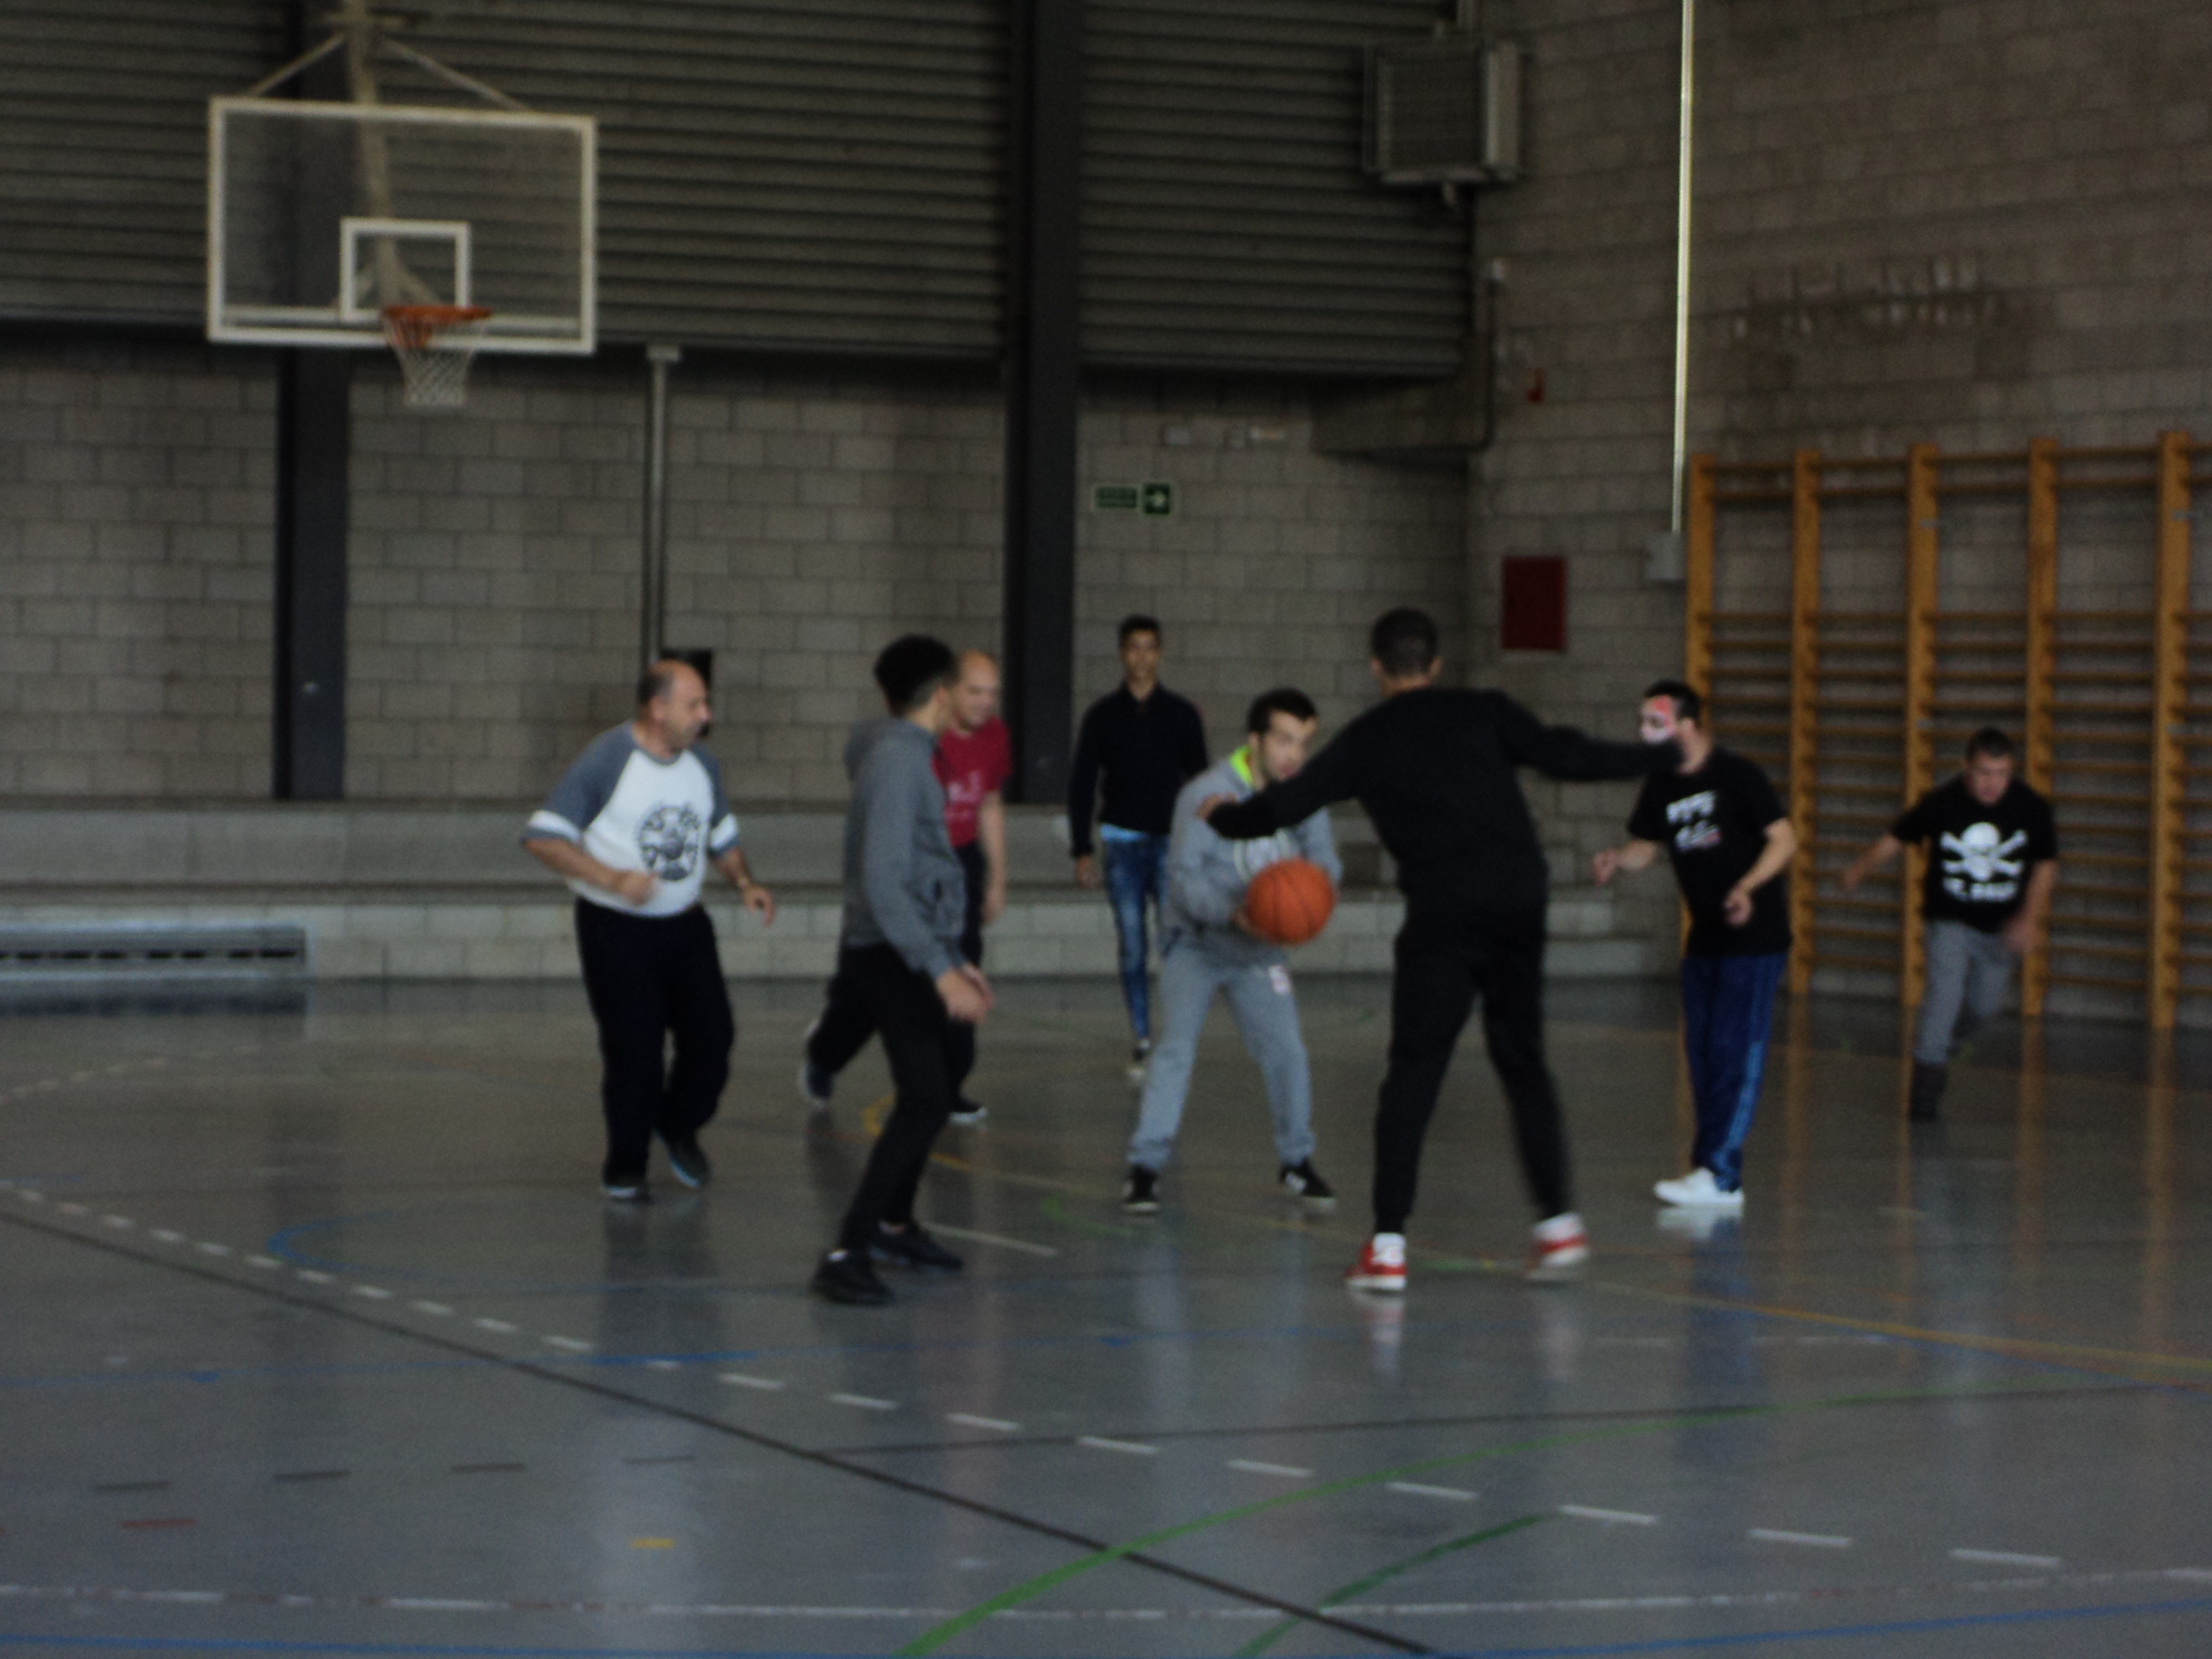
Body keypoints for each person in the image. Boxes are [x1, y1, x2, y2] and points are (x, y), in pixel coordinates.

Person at [1201, 608, 1678, 1291]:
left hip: (1445, 915)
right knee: (1523, 1062)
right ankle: (1558, 1226)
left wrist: (1222, 816)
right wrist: (1661, 755)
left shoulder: (1367, 739)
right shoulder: (1485, 711)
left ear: (1376, 667)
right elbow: (1567, 755)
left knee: (1414, 1074)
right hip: (1518, 902)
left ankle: (1387, 1248)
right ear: (1435, 664)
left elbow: (1282, 806)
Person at [523, 659, 776, 1201]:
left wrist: (745, 883)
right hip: (616, 930)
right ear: (658, 709)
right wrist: (613, 880)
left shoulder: (702, 764)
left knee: (713, 1039)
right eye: (694, 704)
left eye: (705, 703)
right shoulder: (607, 759)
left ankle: (677, 1124)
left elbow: (722, 838)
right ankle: (625, 1166)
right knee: (635, 1053)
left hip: (685, 928)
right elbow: (544, 838)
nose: (706, 716)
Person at [811, 635, 994, 1306]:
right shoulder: (897, 762)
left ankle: (892, 1224)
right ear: (941, 695)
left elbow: (920, 876)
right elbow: (885, 883)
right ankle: (847, 1251)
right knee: (924, 1097)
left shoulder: (909, 755)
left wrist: (955, 960)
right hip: (885, 954)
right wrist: (939, 971)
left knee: (936, 1086)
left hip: (907, 948)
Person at [1121, 688, 1341, 1215]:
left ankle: (1297, 1161)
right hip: (1196, 944)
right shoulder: (1206, 794)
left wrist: (1309, 900)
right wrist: (1233, 913)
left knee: (1288, 1053)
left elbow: (1326, 866)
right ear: (1255, 741)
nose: (1293, 755)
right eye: (1283, 740)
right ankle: (1145, 1169)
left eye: (1303, 743)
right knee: (1175, 1052)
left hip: (1259, 952)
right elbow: (1183, 881)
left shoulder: (1302, 797)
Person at [1592, 680, 1796, 1212]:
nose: (1644, 733)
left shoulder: (1737, 775)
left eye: (1654, 723)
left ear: (1686, 726)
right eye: (1642, 722)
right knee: (1703, 1054)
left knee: (1735, 1051)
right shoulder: (1662, 783)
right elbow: (1646, 846)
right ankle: (1712, 1168)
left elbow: (1784, 839)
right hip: (1705, 936)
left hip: (1754, 937)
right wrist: (1618, 860)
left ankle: (1720, 1174)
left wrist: (1747, 888)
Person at [800, 649, 1009, 1125]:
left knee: (949, 984)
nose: (984, 702)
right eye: (974, 690)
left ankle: (946, 1087)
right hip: (896, 890)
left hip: (950, 876)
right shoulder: (903, 752)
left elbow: (990, 804)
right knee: (863, 1001)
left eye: (992, 693)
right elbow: (883, 873)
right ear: (945, 693)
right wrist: (941, 966)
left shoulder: (987, 737)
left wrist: (995, 879)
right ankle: (827, 1056)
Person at [1841, 727, 2058, 1120]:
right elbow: (1896, 838)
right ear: (1966, 768)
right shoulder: (1943, 803)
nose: (1992, 783)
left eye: (2002, 774)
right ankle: (1925, 1084)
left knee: (1982, 1007)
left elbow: (2045, 865)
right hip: (1949, 920)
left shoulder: (2031, 808)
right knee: (1944, 995)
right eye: (1984, 772)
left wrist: (2029, 919)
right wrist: (1859, 869)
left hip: (2000, 927)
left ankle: (1943, 1045)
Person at [1067, 615, 1209, 1080]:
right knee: (1132, 945)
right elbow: (1083, 784)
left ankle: (1176, 1036)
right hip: (1121, 845)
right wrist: (1081, 849)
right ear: (1122, 654)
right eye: (1134, 647)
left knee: (1174, 944)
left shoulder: (1182, 714)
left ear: (1160, 654)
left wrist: (1204, 845)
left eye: (1150, 647)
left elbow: (1201, 784)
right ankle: (1143, 1038)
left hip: (1170, 845)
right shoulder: (1102, 716)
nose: (1142, 656)